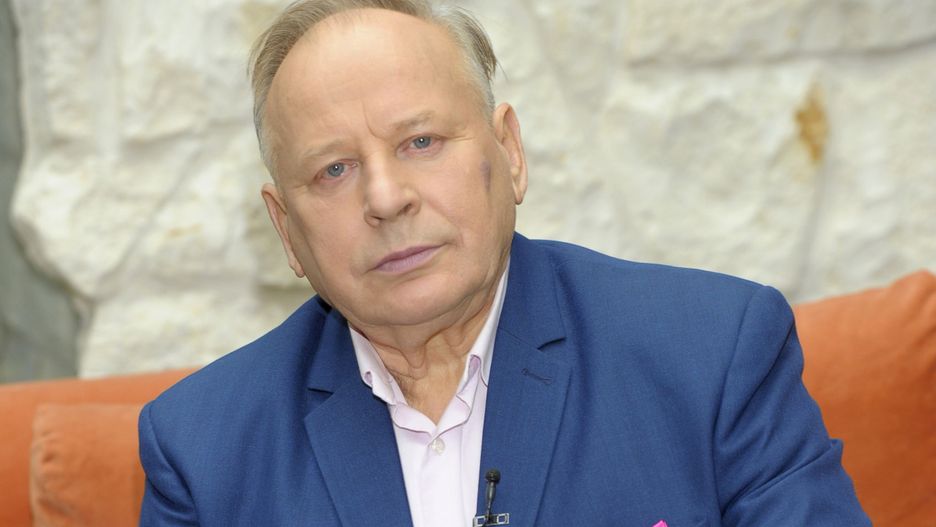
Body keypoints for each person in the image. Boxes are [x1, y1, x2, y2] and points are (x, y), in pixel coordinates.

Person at [138, 1, 870, 525]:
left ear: (509, 153)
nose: (386, 198)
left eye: (421, 141)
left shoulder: (713, 355)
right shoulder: (202, 452)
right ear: (286, 230)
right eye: (333, 170)